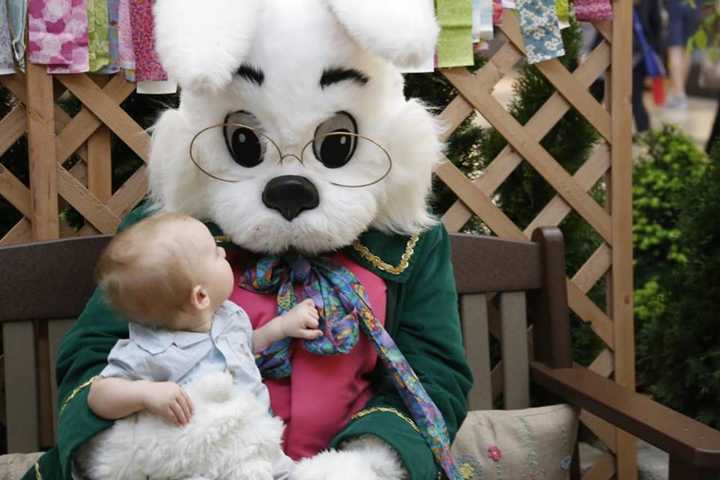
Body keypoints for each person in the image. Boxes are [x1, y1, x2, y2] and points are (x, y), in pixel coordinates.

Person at [77, 212, 323, 480]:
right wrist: (145, 393)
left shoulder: (229, 316)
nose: (223, 251)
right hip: (205, 459)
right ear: (201, 296)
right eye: (215, 254)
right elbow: (99, 395)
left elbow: (244, 347)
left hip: (257, 440)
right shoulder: (150, 350)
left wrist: (283, 326)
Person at [665, 0, 702, 110]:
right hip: (695, 4)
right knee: (687, 48)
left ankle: (679, 95)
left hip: (675, 3)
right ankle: (677, 92)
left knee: (674, 48)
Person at [634, 0, 663, 132]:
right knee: (636, 97)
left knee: (635, 97)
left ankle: (644, 131)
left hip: (627, 51)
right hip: (640, 52)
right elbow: (657, 26)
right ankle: (644, 132)